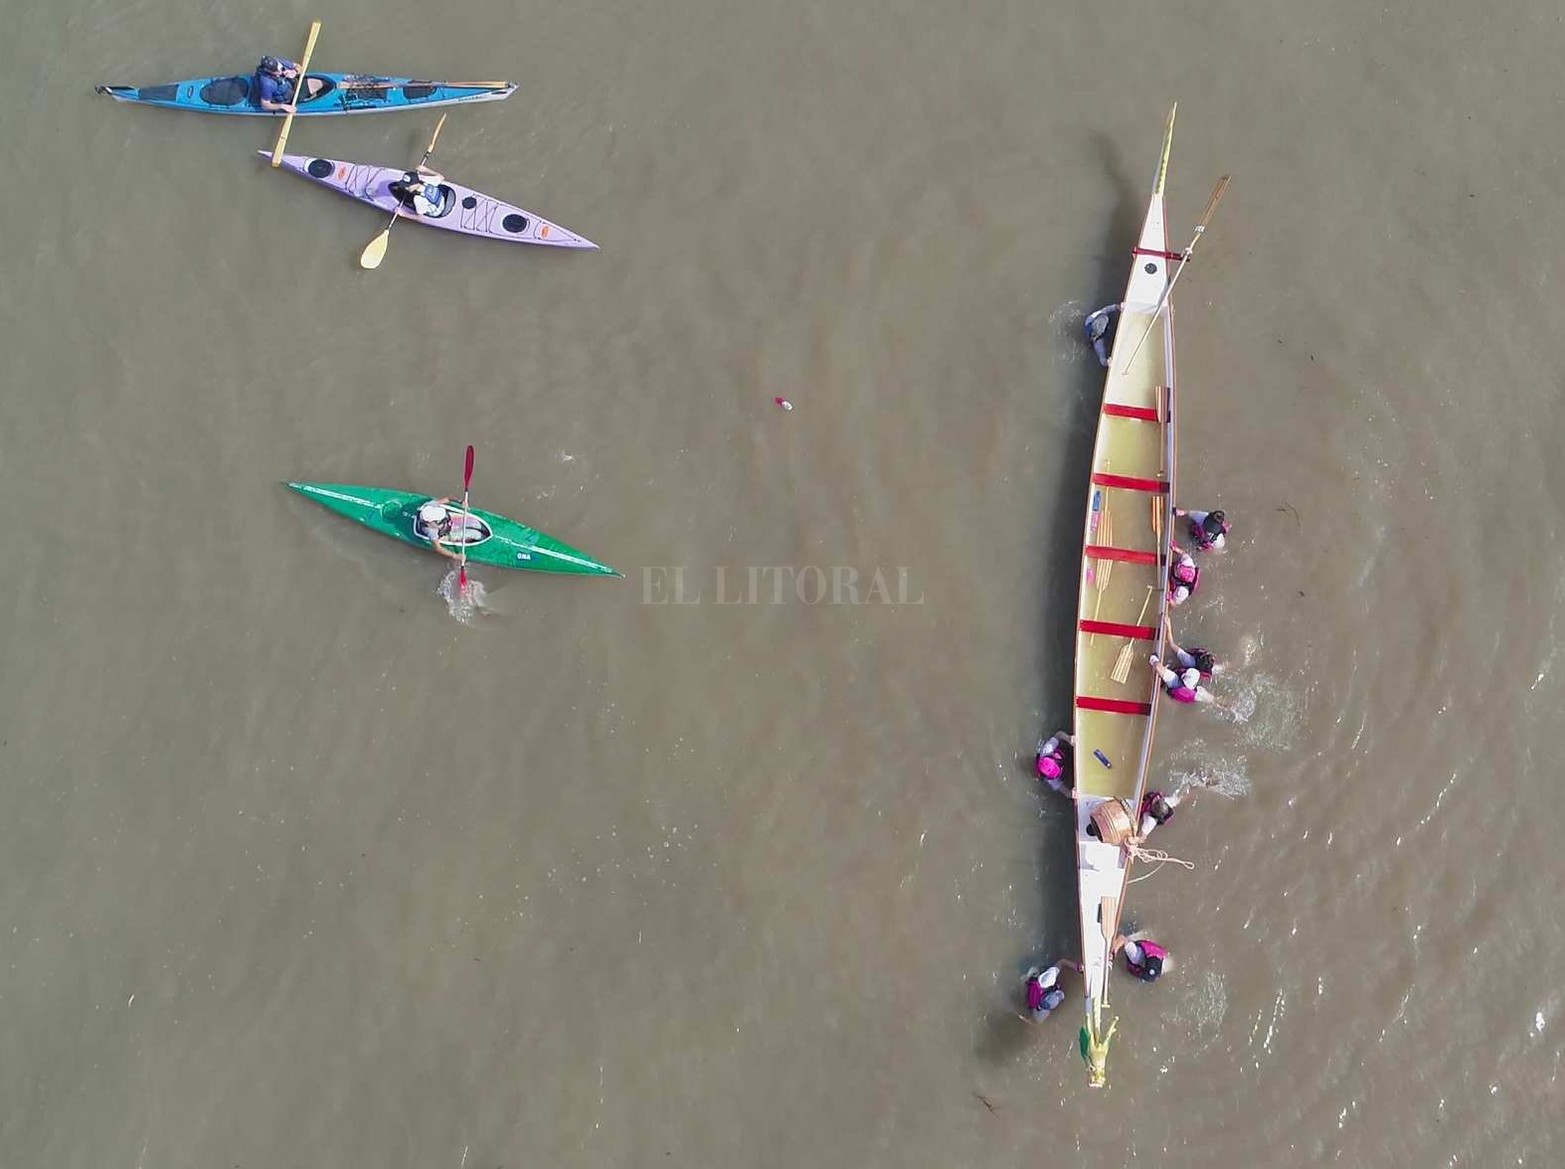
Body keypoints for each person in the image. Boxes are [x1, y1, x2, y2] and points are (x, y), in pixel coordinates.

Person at [1149, 654, 1219, 706]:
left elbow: (1158, 667)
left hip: (1169, 691)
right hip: (1175, 701)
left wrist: (1154, 658)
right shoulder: (1198, 694)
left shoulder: (1175, 681)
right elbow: (1214, 700)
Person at [1035, 729, 1074, 796]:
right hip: (1065, 770)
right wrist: (1071, 794)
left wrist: (1068, 738)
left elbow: (1058, 735)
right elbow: (1064, 790)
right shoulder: (1051, 780)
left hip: (1063, 753)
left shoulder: (1047, 750)